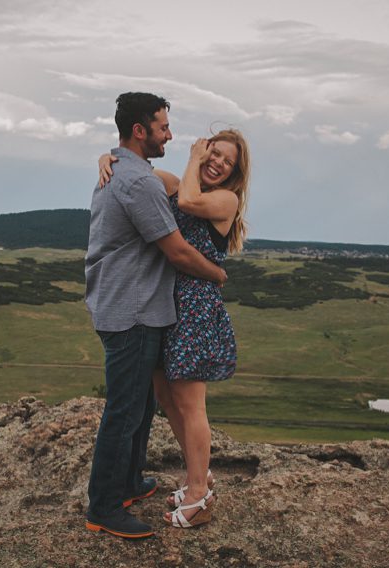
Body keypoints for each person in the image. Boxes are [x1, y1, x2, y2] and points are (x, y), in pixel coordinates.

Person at [81, 92, 227, 539]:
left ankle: (127, 482)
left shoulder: (127, 171)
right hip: (134, 312)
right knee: (125, 410)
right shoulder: (138, 182)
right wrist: (218, 274)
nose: (170, 133)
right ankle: (104, 507)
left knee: (143, 404)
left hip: (132, 306)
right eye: (164, 126)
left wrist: (108, 155)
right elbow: (178, 250)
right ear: (140, 131)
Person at [98, 130, 251, 528]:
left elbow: (185, 200)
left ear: (236, 173)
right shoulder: (185, 181)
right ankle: (198, 476)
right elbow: (142, 175)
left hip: (195, 308)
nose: (216, 162)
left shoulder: (225, 199)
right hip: (166, 303)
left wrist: (195, 158)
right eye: (212, 153)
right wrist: (106, 158)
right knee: (166, 396)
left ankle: (199, 494)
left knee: (190, 403)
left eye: (225, 161)